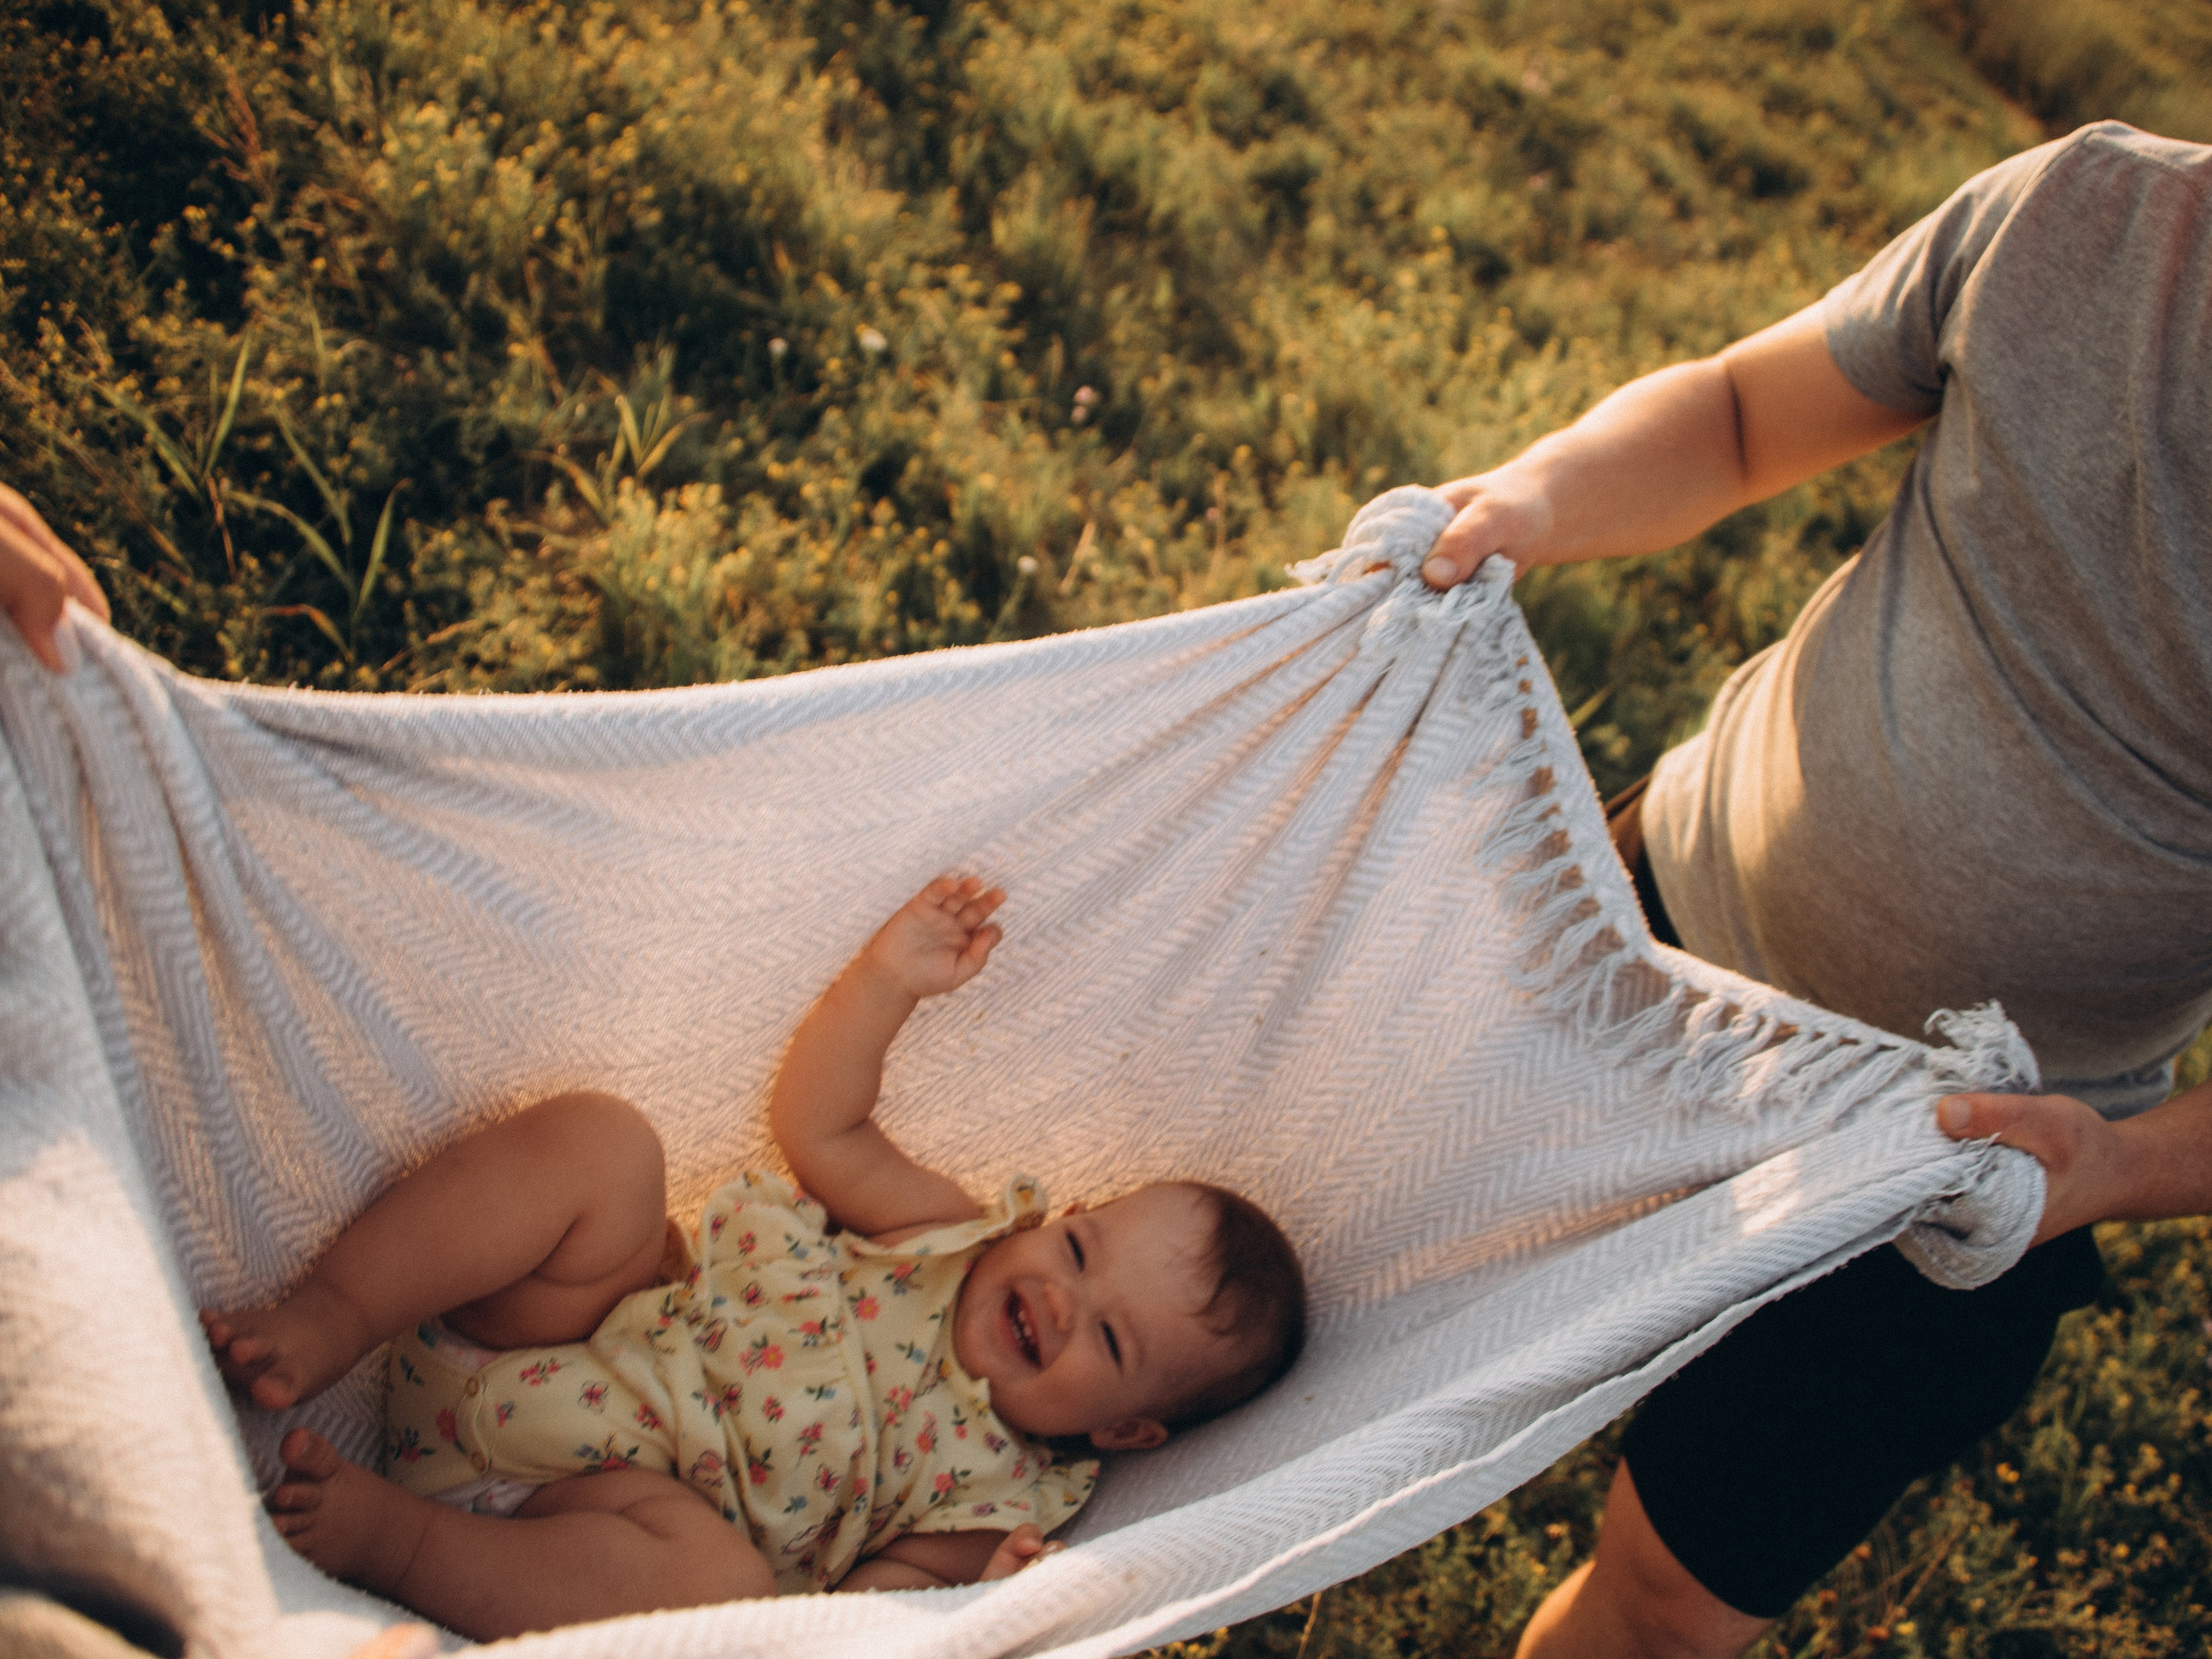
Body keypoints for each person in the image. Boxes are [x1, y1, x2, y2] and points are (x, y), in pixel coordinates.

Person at [1418, 121, 2212, 1657]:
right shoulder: (2090, 206)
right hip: (1649, 934)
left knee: (1666, 1604)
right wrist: (1535, 498)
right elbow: (1734, 418)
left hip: (1952, 1175)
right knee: (1309, 1307)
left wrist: (2114, 1171)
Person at [201, 876, 1307, 1641]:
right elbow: (820, 1126)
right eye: (1077, 1248)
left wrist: (984, 1610)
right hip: (552, 1334)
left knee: (721, 1590)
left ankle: (394, 1545)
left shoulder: (998, 1501)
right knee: (610, 1148)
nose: (1061, 1299)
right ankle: (332, 1314)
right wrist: (884, 984)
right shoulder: (944, 1234)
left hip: (561, 1525)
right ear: (1061, 1214)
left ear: (1125, 1430)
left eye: (1108, 1338)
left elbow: (856, 1622)